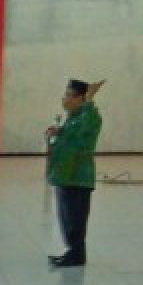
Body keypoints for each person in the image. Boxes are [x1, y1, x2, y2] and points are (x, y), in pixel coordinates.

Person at [46, 78, 104, 267]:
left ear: (81, 98)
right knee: (65, 216)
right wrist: (58, 132)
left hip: (78, 177)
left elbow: (84, 128)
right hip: (65, 175)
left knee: (76, 218)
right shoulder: (72, 117)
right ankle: (71, 251)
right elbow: (71, 135)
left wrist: (90, 100)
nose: (65, 99)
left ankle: (77, 254)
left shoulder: (91, 116)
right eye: (65, 95)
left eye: (70, 96)